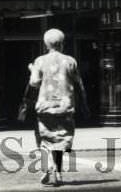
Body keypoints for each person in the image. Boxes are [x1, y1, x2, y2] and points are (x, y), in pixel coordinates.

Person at [29, 28, 89, 186]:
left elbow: (34, 82)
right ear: (62, 43)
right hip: (65, 105)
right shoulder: (70, 61)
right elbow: (79, 84)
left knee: (45, 139)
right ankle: (58, 172)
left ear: (46, 44)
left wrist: (31, 70)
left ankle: (48, 166)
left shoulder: (40, 61)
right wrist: (84, 103)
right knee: (62, 139)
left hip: (45, 105)